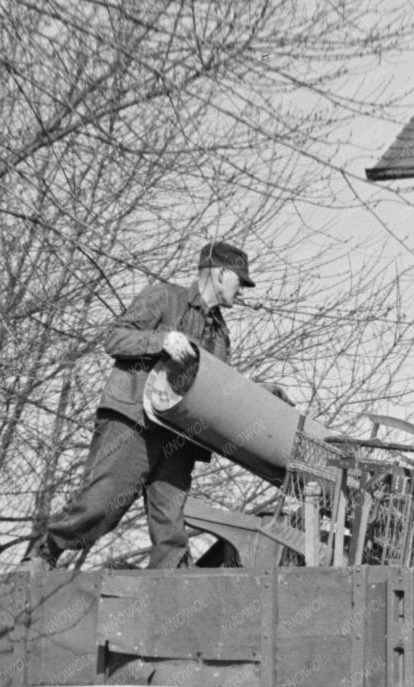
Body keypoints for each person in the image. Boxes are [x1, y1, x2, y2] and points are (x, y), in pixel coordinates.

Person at [29, 240, 254, 569]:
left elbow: (218, 389)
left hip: (180, 436)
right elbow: (115, 338)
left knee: (171, 526)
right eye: (240, 281)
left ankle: (169, 595)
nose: (243, 291)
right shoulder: (165, 297)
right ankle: (44, 552)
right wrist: (161, 341)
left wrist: (260, 394)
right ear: (220, 274)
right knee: (101, 505)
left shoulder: (221, 334)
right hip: (134, 421)